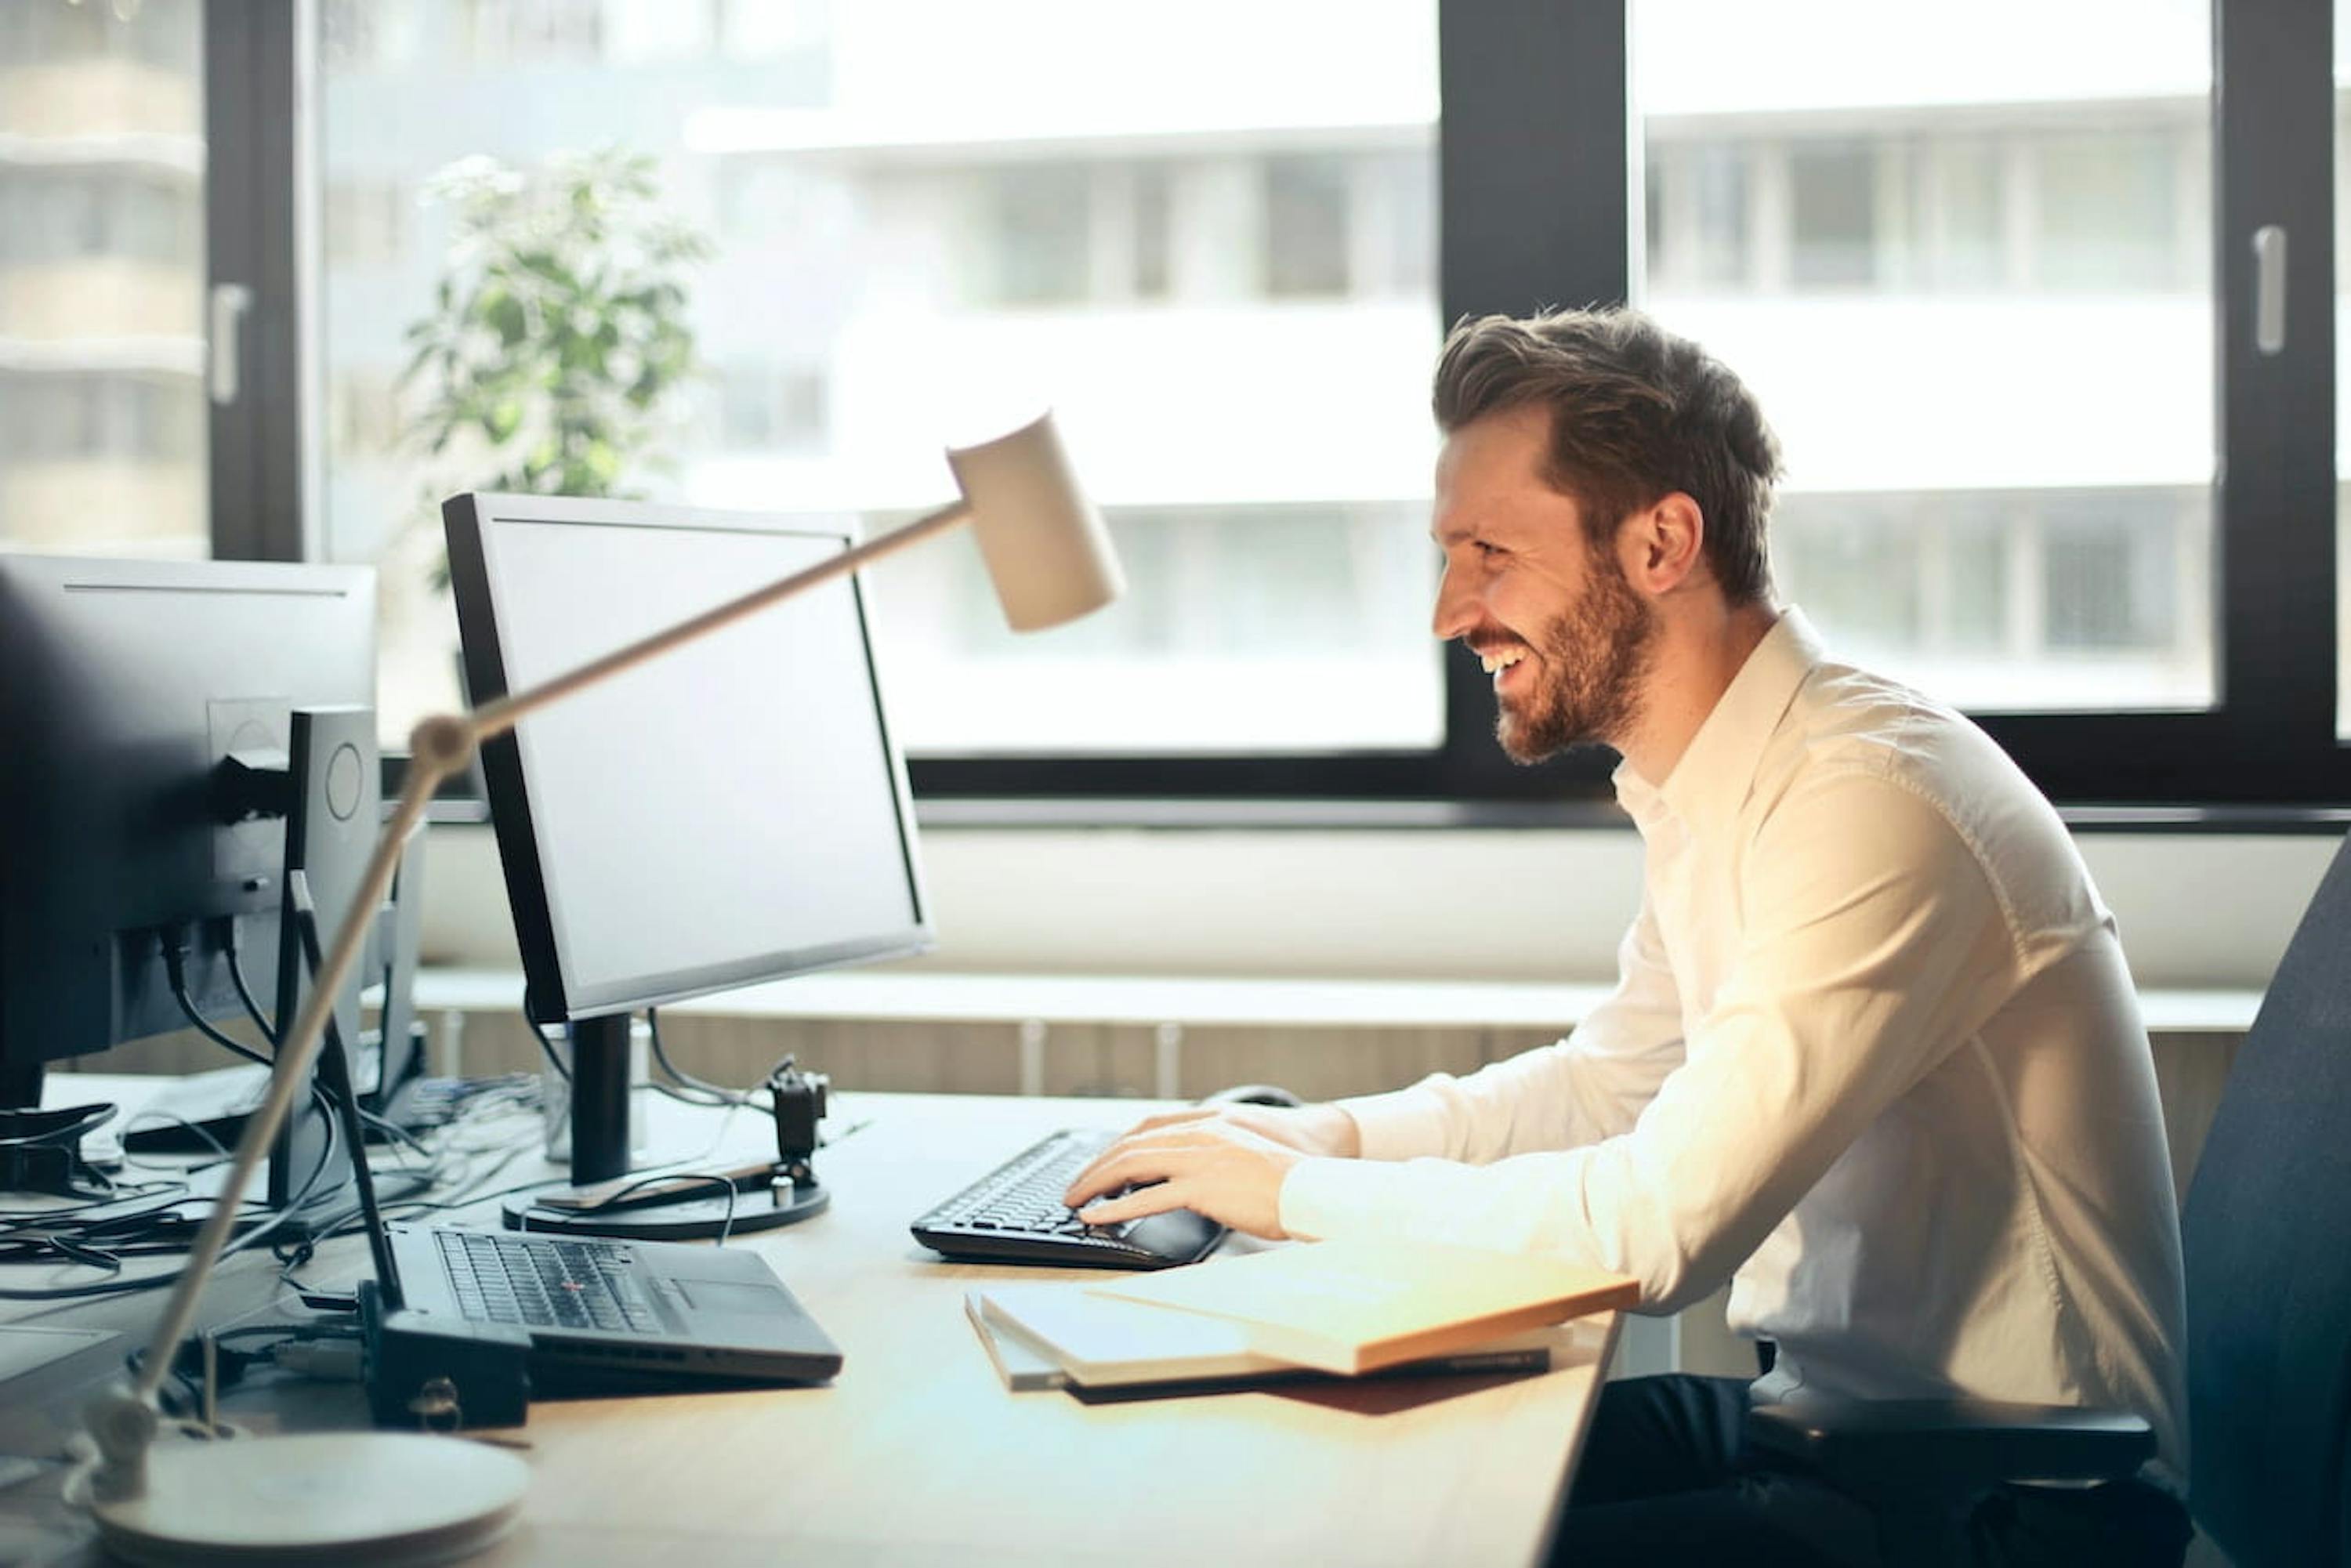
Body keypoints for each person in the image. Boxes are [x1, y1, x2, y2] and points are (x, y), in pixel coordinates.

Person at [1063, 307, 2193, 1567]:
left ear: (1662, 541)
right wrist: (1321, 1137)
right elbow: (1611, 1087)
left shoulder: (1872, 802)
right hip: (1836, 1436)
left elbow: (1660, 1229)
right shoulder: (1720, 781)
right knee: (1319, 1471)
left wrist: (1291, 1195)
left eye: (1489, 551)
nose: (1450, 612)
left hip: (2008, 1507)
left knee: (1387, 1535)